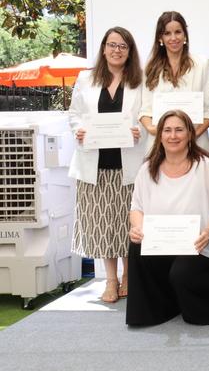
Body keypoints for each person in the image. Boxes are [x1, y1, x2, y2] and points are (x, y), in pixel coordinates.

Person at [126, 110, 209, 326]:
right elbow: (136, 207)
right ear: (160, 135)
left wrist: (208, 232)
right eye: (167, 130)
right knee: (136, 246)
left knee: (184, 278)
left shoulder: (206, 167)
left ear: (190, 135)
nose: (173, 136)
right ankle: (157, 310)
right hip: (163, 243)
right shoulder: (147, 169)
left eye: (179, 130)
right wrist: (137, 227)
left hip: (200, 244)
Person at [68, 27, 146, 303]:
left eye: (123, 46)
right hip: (94, 165)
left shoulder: (141, 80)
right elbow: (75, 115)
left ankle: (129, 277)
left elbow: (148, 116)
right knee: (102, 224)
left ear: (130, 51)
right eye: (112, 45)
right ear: (103, 49)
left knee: (127, 224)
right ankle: (111, 280)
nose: (117, 50)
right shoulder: (86, 78)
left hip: (129, 165)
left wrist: (139, 130)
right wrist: (78, 130)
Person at [140, 11, 209, 153]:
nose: (173, 38)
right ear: (160, 38)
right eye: (167, 33)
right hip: (160, 147)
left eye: (178, 32)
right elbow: (145, 111)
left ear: (185, 35)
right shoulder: (150, 68)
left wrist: (191, 136)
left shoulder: (202, 64)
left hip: (196, 145)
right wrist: (153, 130)